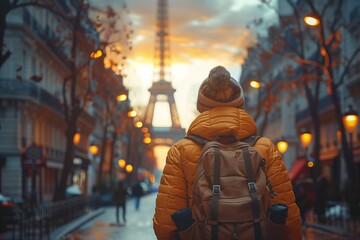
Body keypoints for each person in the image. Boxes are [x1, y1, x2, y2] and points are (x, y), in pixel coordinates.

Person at [153, 66, 302, 239]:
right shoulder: (264, 148)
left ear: (201, 105)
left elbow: (165, 224)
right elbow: (288, 217)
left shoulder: (180, 151)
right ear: (240, 103)